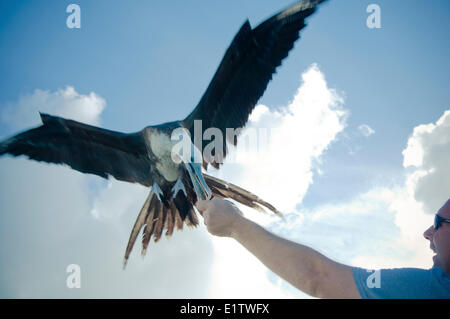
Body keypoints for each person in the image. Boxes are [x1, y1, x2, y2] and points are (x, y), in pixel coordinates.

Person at [196, 198, 450, 299]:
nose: (427, 233)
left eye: (438, 223)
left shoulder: (434, 288)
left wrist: (235, 225)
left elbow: (318, 277)